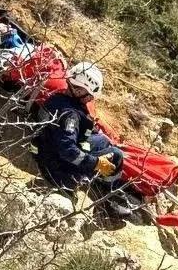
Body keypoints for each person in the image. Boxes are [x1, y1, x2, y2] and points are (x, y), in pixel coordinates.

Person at [32, 62, 134, 219]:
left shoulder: (59, 98)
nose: (90, 99)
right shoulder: (71, 115)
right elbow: (68, 151)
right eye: (89, 95)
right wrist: (95, 162)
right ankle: (108, 205)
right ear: (78, 90)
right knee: (116, 155)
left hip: (46, 147)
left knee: (101, 140)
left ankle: (102, 183)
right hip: (57, 168)